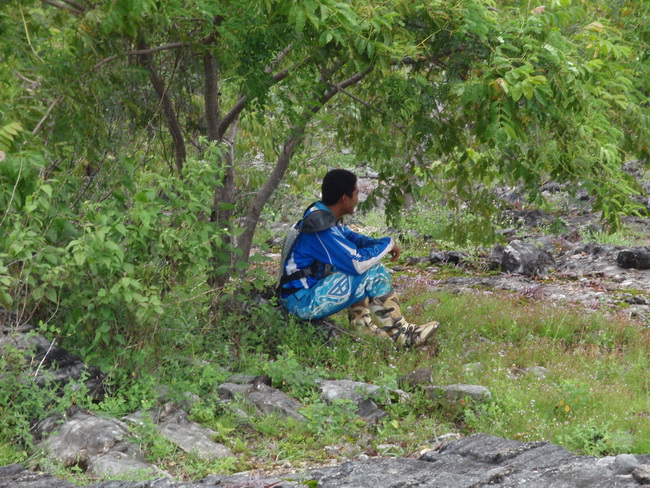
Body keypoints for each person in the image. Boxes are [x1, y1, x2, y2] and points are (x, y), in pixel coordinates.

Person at [279, 169, 438, 347]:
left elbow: (353, 238)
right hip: (301, 303)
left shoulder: (323, 215)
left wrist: (378, 243)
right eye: (356, 194)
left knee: (352, 266)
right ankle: (402, 335)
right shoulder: (320, 228)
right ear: (344, 198)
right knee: (372, 271)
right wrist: (388, 244)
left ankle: (361, 325)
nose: (357, 199)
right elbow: (357, 263)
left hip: (302, 295)